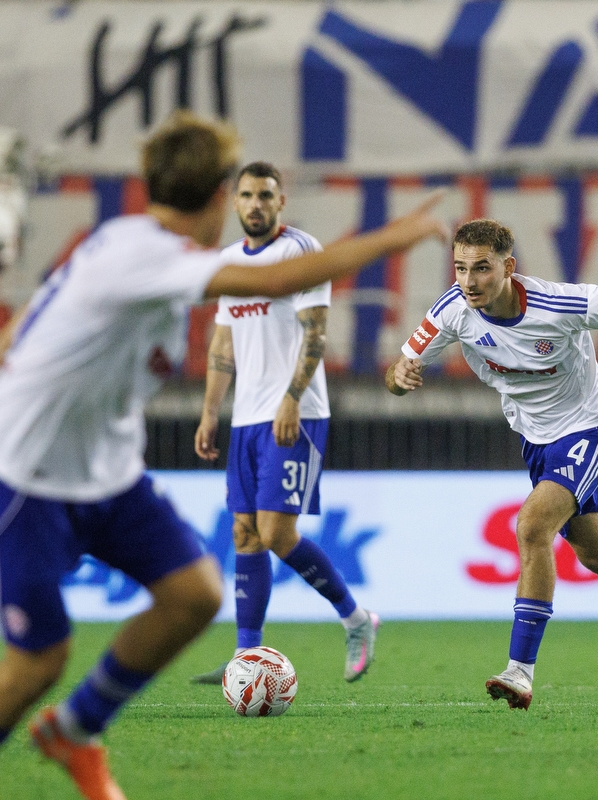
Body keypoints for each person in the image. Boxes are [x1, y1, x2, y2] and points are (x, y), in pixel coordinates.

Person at [0, 111, 448, 800]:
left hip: (104, 471)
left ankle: (75, 731)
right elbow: (269, 283)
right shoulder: (151, 256)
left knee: (193, 594)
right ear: (217, 200)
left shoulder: (132, 242)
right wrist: (398, 235)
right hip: (20, 470)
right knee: (41, 657)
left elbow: (37, 306)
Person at [384, 219, 598, 711]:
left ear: (509, 268)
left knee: (532, 526)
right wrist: (400, 375)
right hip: (536, 440)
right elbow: (395, 370)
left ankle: (520, 671)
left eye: (482, 269)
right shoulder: (453, 310)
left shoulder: (558, 303)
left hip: (590, 427)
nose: (469, 281)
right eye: (460, 268)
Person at [188, 162, 378, 686]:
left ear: (281, 202)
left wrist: (292, 398)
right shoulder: (229, 261)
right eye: (246, 195)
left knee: (275, 532)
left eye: (265, 195)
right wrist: (210, 412)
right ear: (234, 203)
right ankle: (246, 656)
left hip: (296, 413)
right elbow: (223, 343)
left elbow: (316, 333)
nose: (255, 204)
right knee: (245, 534)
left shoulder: (300, 251)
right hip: (247, 417)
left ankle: (357, 619)